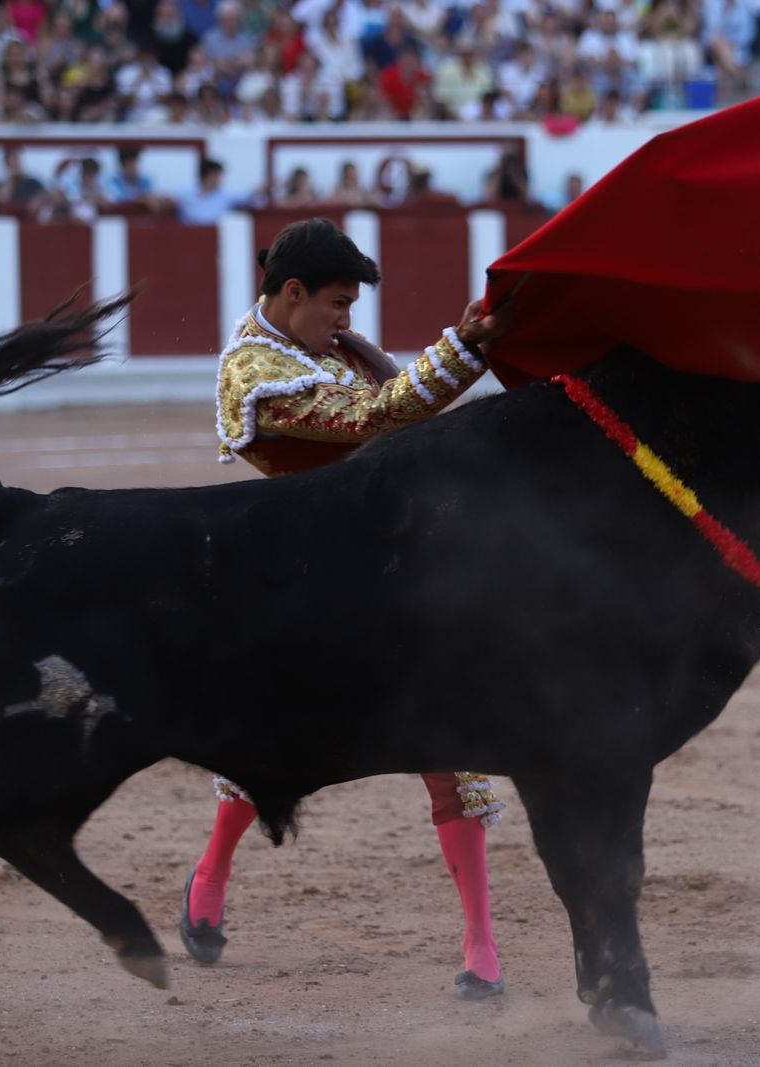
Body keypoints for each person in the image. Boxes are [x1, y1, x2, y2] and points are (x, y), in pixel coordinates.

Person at [202, 217, 513, 1001]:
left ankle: (482, 945)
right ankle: (210, 875)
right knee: (266, 750)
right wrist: (462, 348)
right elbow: (373, 421)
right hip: (306, 586)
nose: (347, 319)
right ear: (293, 291)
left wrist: (401, 357)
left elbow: (390, 413)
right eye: (338, 303)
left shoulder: (311, 346)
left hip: (393, 572)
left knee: (450, 748)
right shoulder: (252, 373)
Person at [177, 156, 259, 223]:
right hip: (190, 234)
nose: (219, 179)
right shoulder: (186, 192)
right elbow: (169, 201)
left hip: (217, 237)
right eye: (217, 175)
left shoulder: (226, 193)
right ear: (207, 175)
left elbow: (248, 194)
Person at [0, 143, 46, 213]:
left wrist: (39, 199)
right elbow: (3, 199)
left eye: (17, 159)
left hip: (29, 221)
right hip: (8, 221)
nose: (16, 162)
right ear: (6, 164)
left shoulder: (33, 183)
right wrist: (11, 176)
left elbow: (45, 196)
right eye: (12, 160)